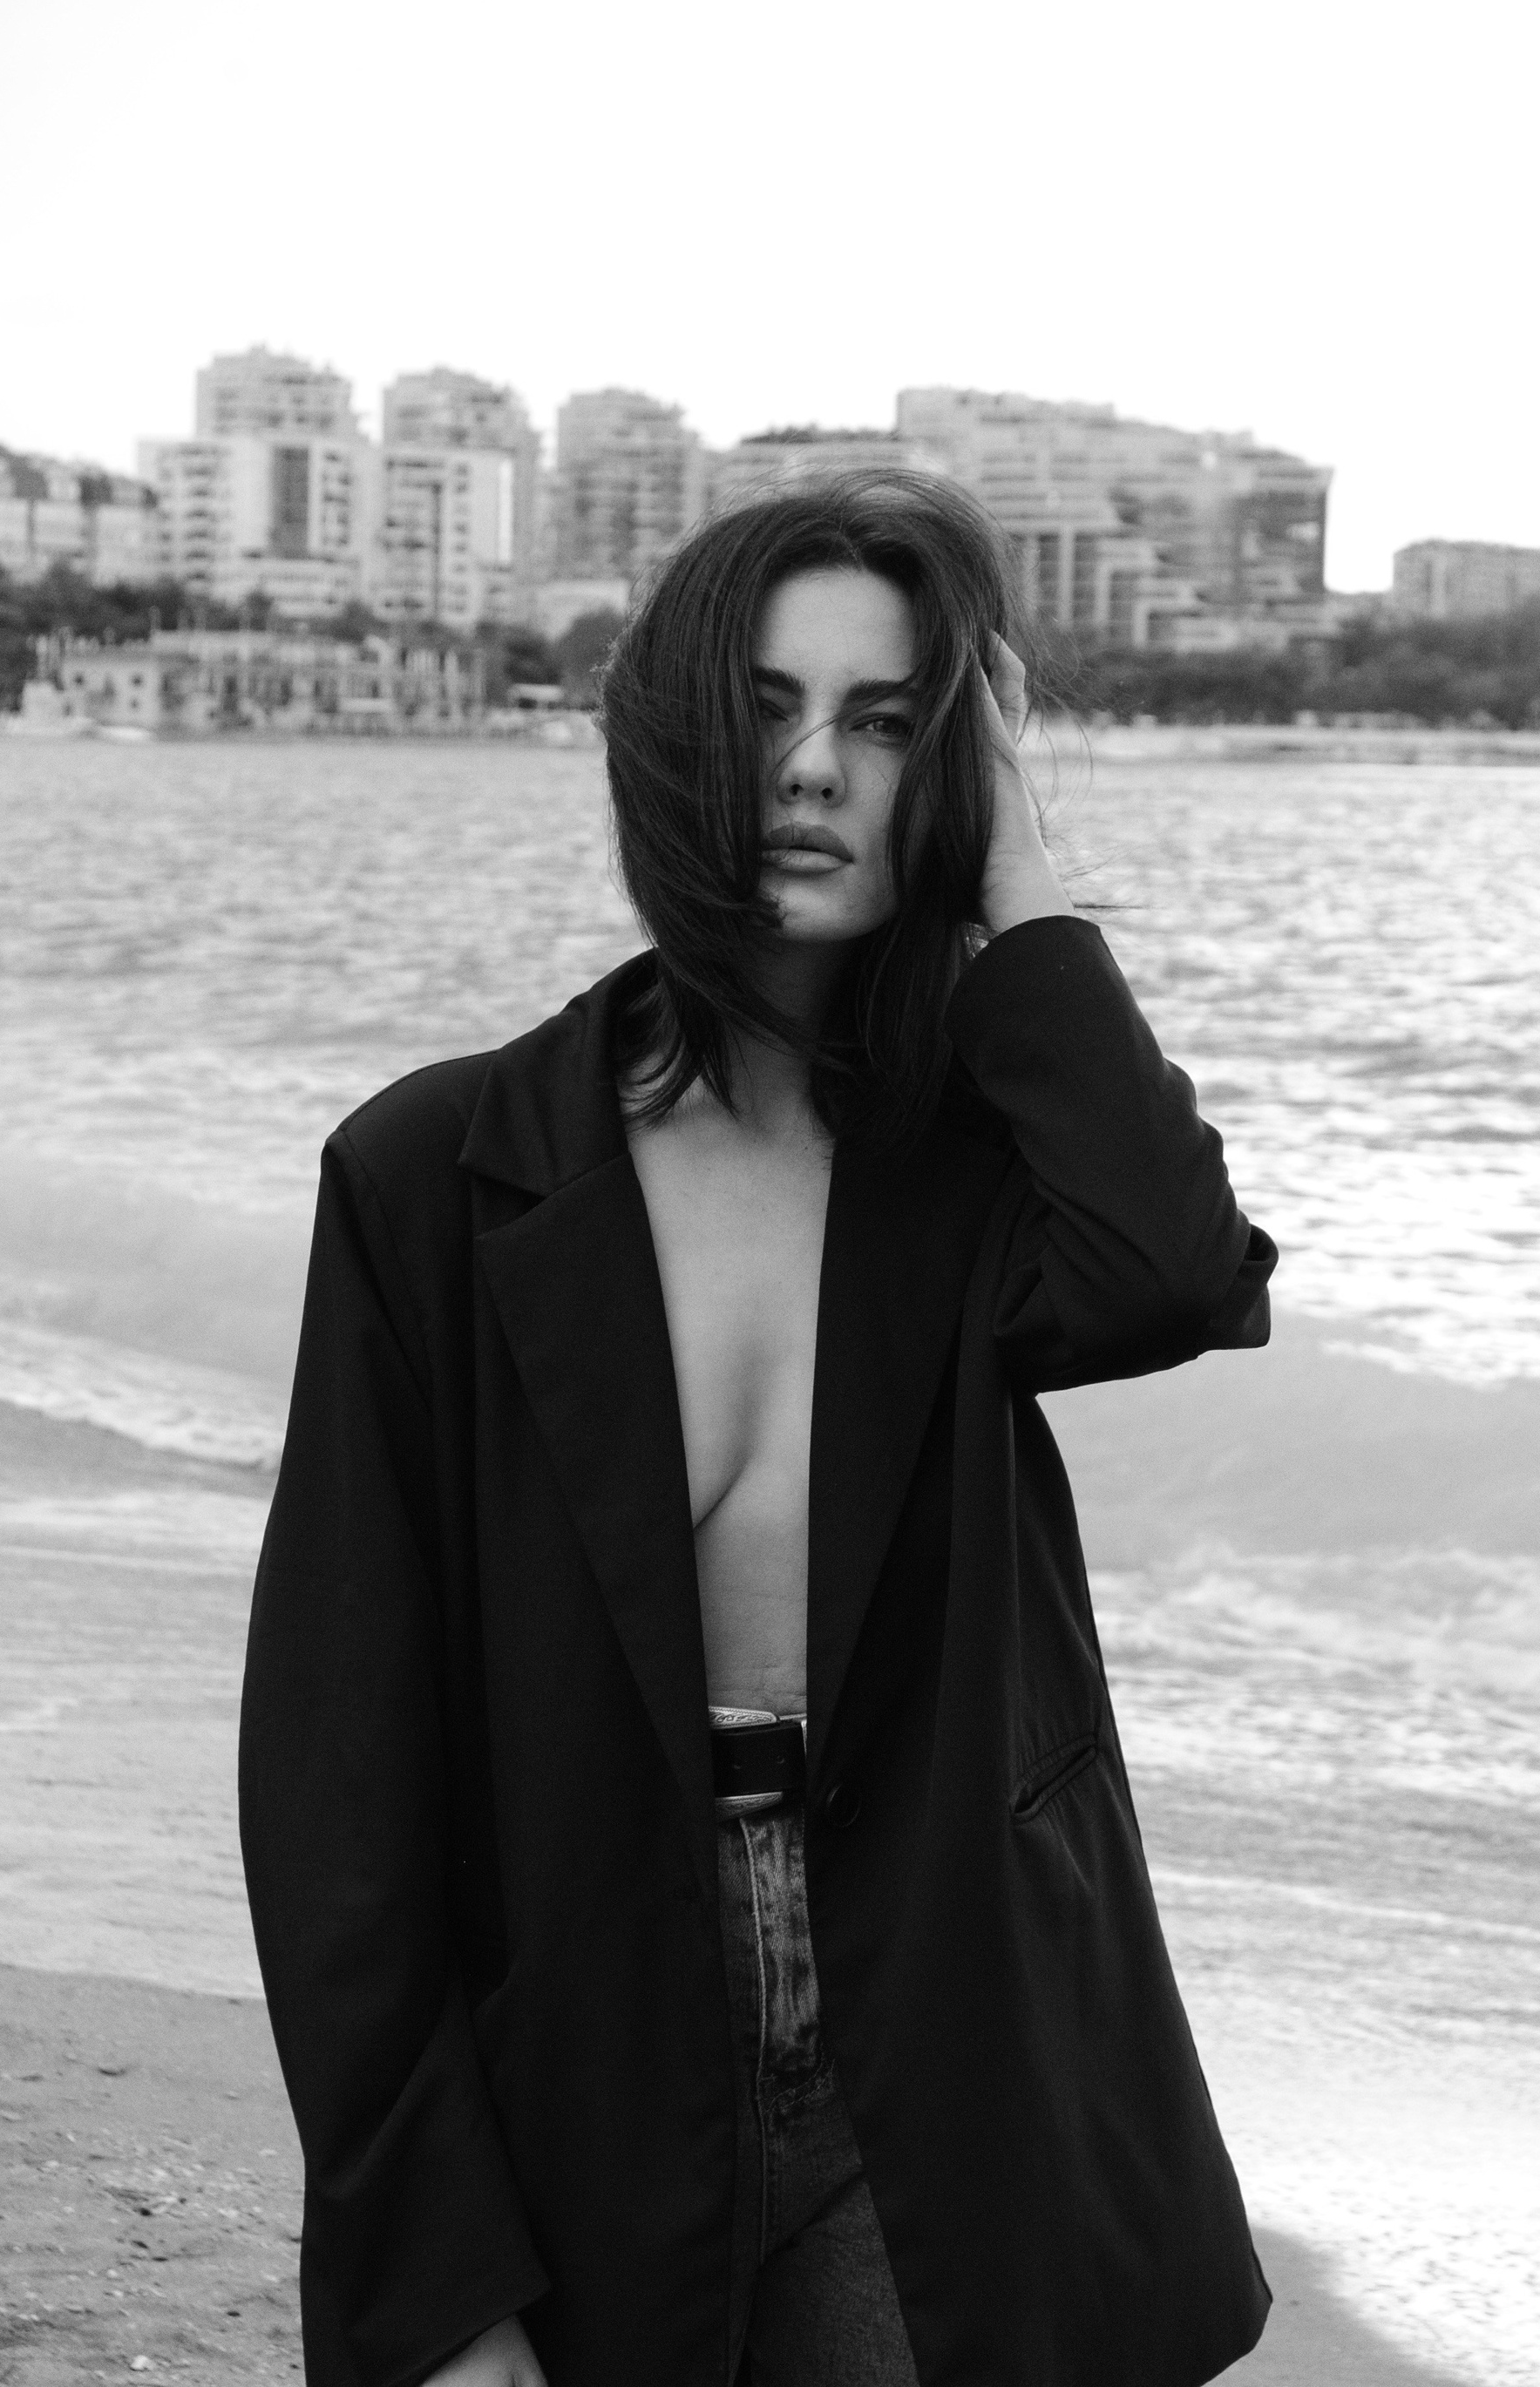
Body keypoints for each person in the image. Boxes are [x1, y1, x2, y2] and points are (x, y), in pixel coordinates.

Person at [239, 471, 1278, 2387]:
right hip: (585, 2013)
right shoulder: (434, 1176)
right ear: (674, 745)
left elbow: (1173, 1269)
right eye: (766, 710)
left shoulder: (970, 1178)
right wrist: (434, 2286)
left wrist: (1020, 875)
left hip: (939, 2024)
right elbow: (337, 1781)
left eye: (885, 725)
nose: (814, 770)